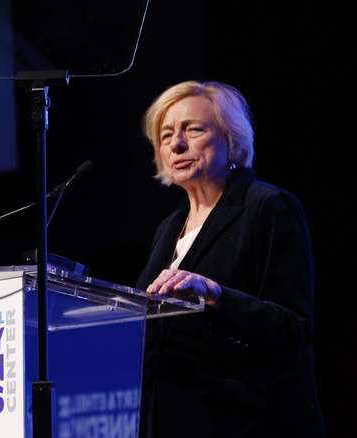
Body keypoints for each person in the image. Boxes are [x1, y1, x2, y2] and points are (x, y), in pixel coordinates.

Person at [136, 80, 325, 437]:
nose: (176, 144)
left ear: (232, 139)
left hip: (246, 425)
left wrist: (216, 294)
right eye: (165, 135)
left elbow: (293, 331)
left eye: (193, 129)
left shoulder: (268, 207)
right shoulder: (168, 229)